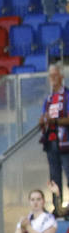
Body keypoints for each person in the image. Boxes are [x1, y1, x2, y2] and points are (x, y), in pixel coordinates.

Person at [40, 63, 69, 210]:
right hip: (51, 142)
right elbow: (43, 118)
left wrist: (55, 121)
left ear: (61, 76)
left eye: (55, 75)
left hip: (66, 142)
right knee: (54, 177)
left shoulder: (67, 96)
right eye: (50, 76)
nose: (52, 78)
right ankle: (58, 207)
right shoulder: (48, 99)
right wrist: (43, 122)